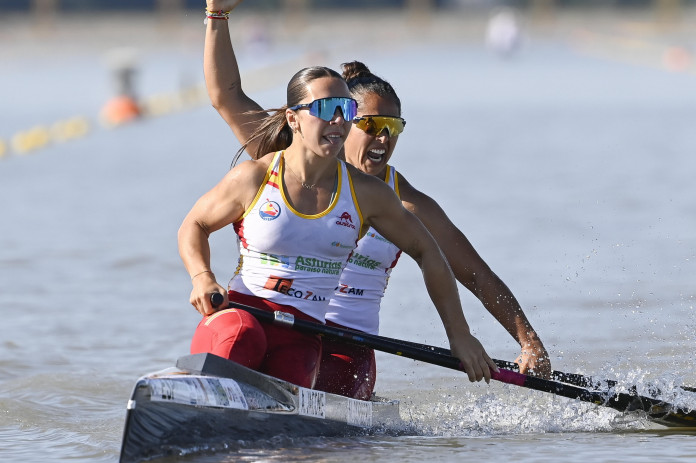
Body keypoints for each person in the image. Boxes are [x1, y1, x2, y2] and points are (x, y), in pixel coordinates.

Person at [202, 0, 552, 398]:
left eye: (393, 127)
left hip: (348, 351)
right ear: (345, 120)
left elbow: (473, 274)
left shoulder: (405, 203)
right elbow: (225, 96)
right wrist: (217, 14)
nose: (384, 139)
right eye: (372, 125)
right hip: (277, 326)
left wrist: (529, 343)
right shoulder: (288, 159)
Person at [179, 64, 498, 390]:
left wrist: (458, 334)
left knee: (298, 370)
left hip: (304, 333)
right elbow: (195, 223)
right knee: (240, 338)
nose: (339, 120)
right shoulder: (254, 176)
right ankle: (202, 394)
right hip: (245, 314)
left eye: (346, 110)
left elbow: (427, 250)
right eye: (327, 110)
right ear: (294, 119)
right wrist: (202, 278)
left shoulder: (368, 194)